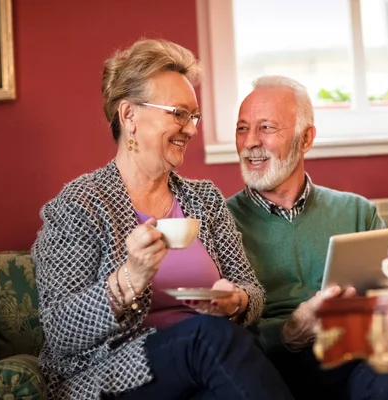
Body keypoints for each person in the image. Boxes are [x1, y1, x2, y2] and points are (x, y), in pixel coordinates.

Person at [32, 39, 293, 400]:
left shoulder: (204, 198)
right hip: (117, 373)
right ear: (129, 116)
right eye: (178, 113)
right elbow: (60, 331)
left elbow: (251, 289)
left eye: (194, 116)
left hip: (209, 364)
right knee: (207, 336)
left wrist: (238, 302)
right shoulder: (79, 206)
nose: (191, 128)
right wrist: (130, 278)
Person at [227, 75, 388, 400]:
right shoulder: (222, 221)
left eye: (266, 128)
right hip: (285, 366)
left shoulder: (356, 211)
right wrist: (286, 332)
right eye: (243, 128)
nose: (250, 141)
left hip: (364, 352)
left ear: (306, 138)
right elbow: (221, 333)